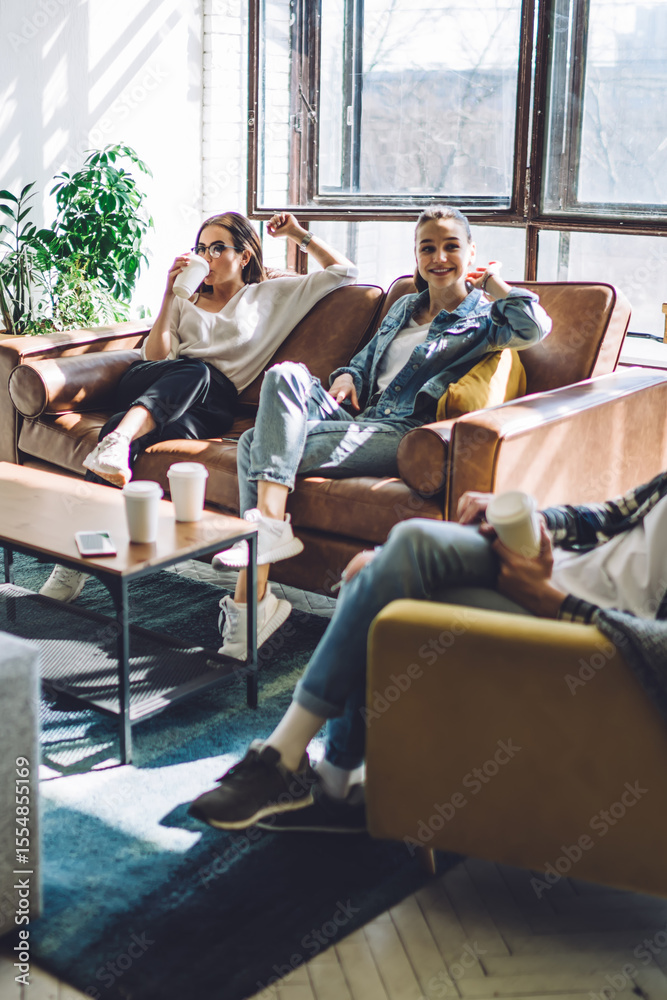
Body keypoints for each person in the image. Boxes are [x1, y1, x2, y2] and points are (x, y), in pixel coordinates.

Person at [188, 469, 667, 834]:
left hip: (590, 627)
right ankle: (333, 784)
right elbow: (612, 516)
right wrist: (537, 523)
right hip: (558, 570)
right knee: (409, 543)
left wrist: (551, 600)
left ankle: (291, 763)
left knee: (376, 586)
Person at [211, 205, 551, 660]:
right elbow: (363, 361)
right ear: (416, 255)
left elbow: (534, 326)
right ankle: (267, 543)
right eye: (427, 247)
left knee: (255, 444)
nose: (439, 258)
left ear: (471, 252)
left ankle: (252, 596)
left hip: (401, 431)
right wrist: (349, 376)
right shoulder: (404, 307)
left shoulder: (484, 320)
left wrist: (490, 283)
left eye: (452, 246)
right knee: (285, 375)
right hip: (355, 415)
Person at [39, 211, 357, 603]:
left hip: (209, 406)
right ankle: (117, 448)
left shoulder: (271, 295)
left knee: (140, 417)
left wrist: (295, 233)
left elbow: (344, 273)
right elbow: (154, 355)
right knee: (194, 371)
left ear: (244, 256)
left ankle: (82, 546)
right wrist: (167, 296)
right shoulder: (185, 299)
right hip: (156, 380)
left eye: (218, 248)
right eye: (201, 248)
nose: (205, 256)